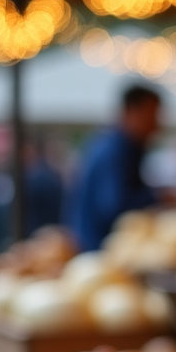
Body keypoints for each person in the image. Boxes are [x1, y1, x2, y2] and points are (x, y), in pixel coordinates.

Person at [67, 85, 161, 251]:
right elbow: (116, 206)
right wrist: (157, 198)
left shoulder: (117, 145)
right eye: (152, 116)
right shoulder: (115, 151)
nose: (156, 126)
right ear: (131, 112)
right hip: (98, 252)